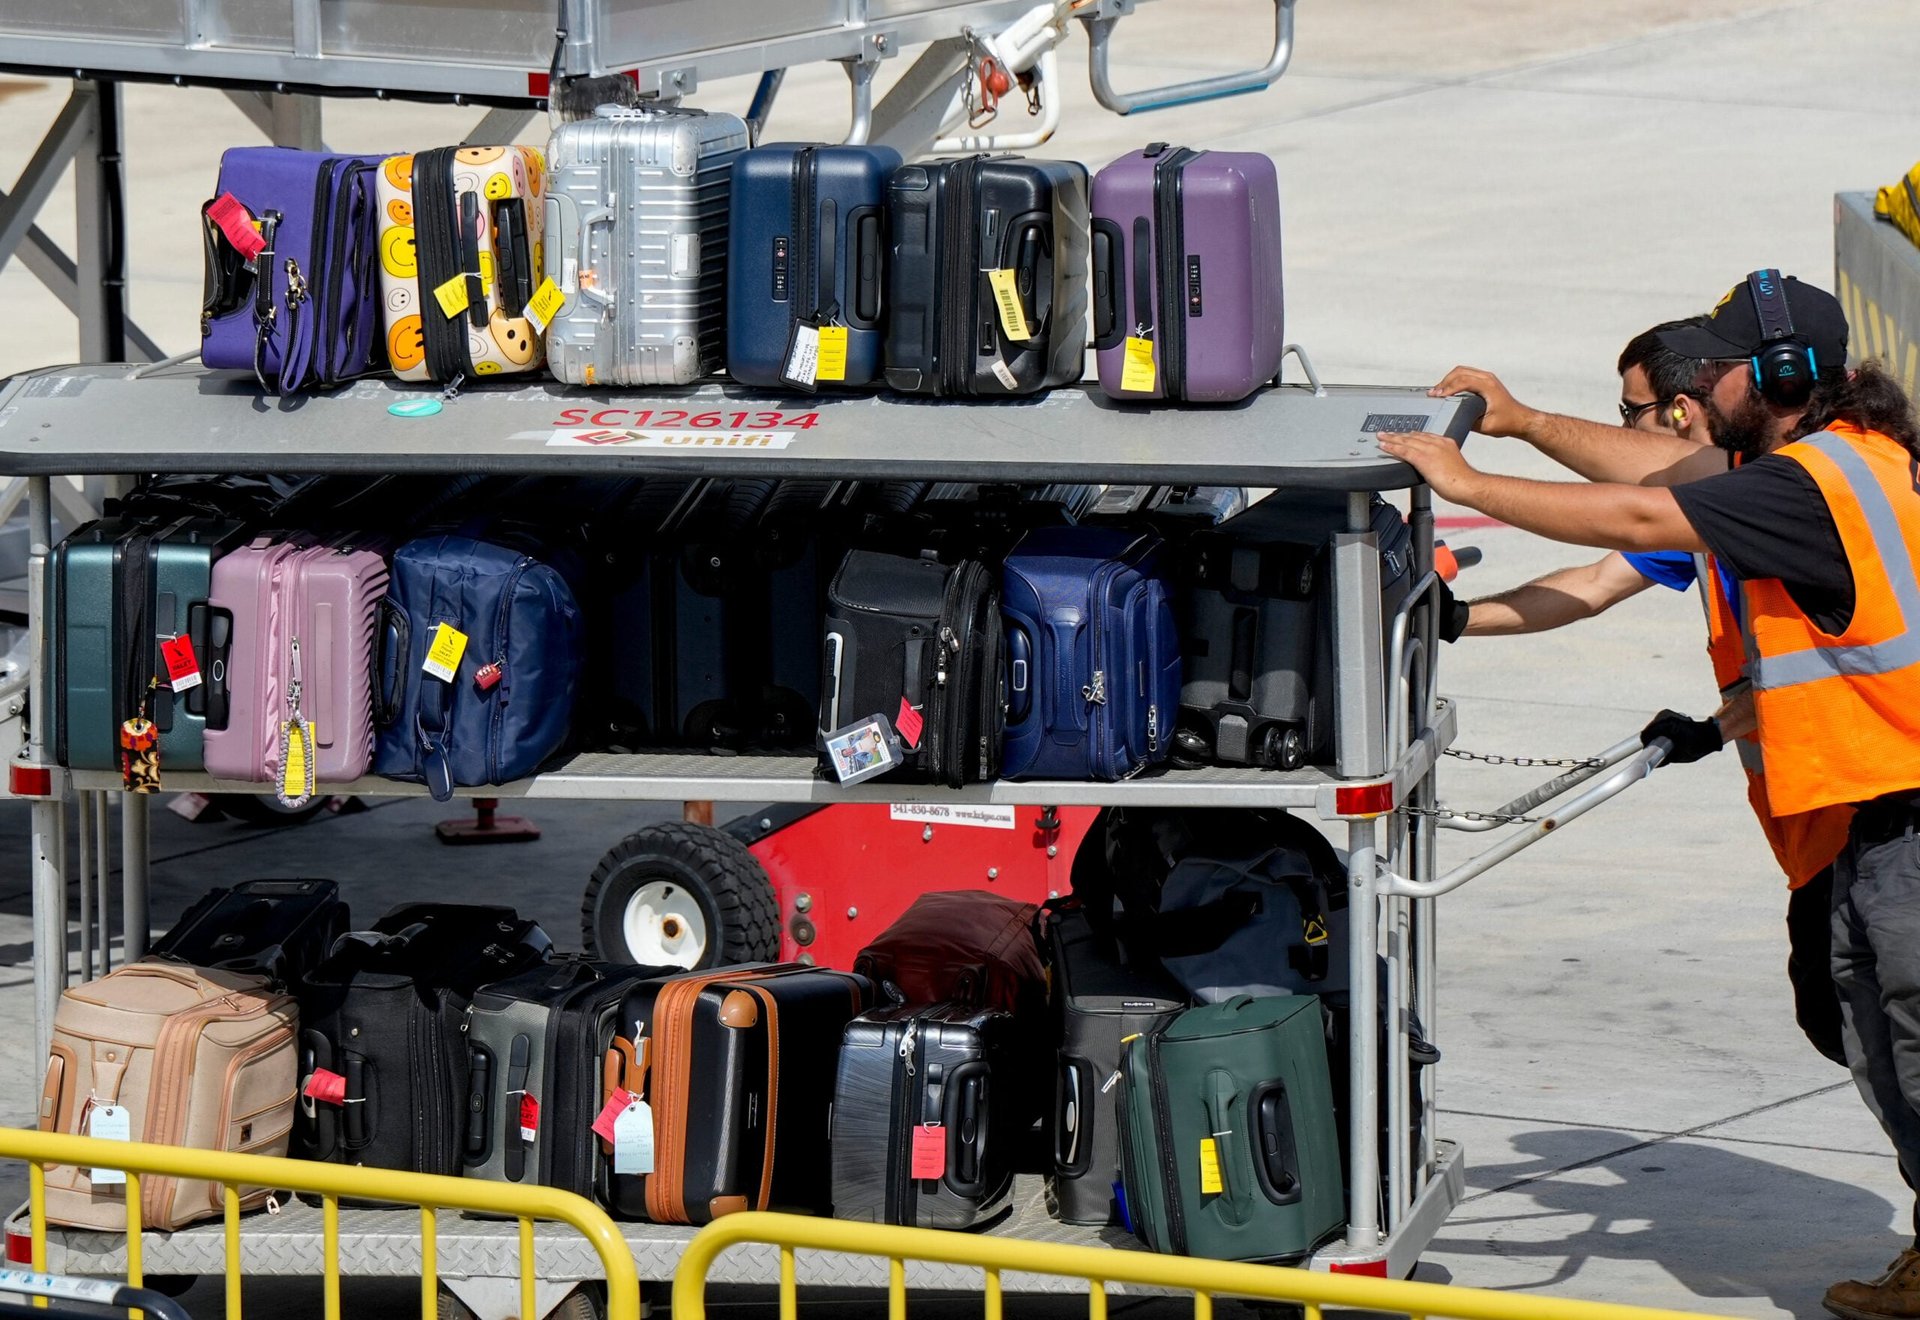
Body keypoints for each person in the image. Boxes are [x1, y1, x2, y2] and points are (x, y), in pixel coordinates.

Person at [1378, 270, 1920, 1320]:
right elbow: (1650, 478)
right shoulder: (1817, 460)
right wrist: (1522, 425)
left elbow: (1636, 502)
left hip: (1902, 810)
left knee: (1906, 1029)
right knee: (1859, 1022)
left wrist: (1470, 480)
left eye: (1720, 370)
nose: (1700, 390)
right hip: (1852, 811)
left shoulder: (1809, 483)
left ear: (1779, 376)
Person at [1445, 320, 1851, 1069]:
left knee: (1863, 1024)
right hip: (1810, 814)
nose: (1621, 429)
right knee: (1839, 1020)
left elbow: (1841, 668)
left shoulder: (1773, 495)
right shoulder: (1718, 508)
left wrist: (1483, 469)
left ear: (1679, 412)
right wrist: (1458, 619)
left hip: (1865, 809)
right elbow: (1595, 584)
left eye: (1630, 411)